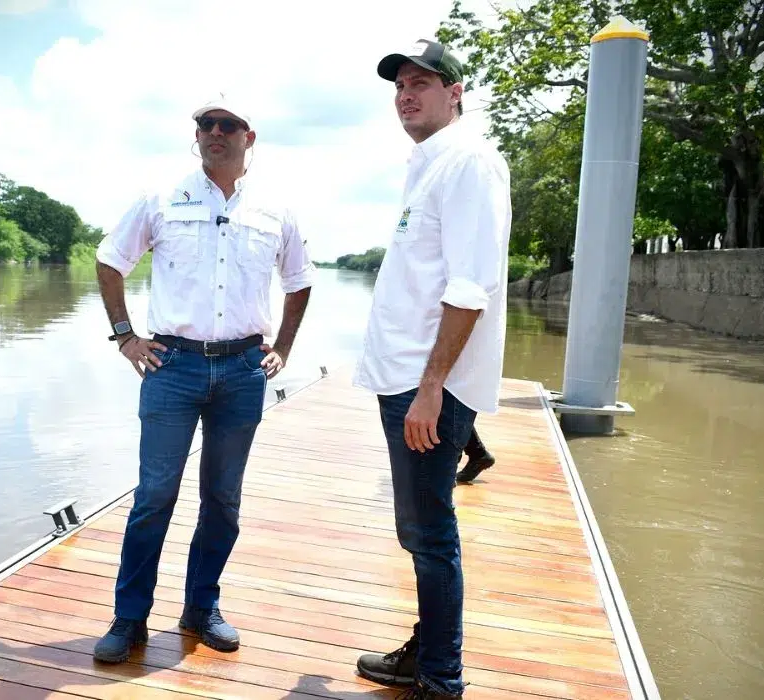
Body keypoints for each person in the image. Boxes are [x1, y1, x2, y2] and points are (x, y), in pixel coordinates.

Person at [91, 95, 314, 663]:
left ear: (249, 136)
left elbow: (300, 281)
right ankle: (129, 618)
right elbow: (110, 259)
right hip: (172, 366)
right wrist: (124, 335)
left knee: (223, 499)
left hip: (243, 370)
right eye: (204, 124)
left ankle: (200, 607)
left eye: (226, 124)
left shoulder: (276, 211)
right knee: (155, 495)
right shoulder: (162, 198)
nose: (213, 132)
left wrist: (283, 348)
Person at [352, 39, 512, 698]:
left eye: (423, 81)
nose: (407, 94)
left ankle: (440, 675)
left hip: (427, 389)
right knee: (418, 530)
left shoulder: (468, 163)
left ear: (456, 93)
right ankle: (430, 655)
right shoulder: (430, 165)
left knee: (429, 533)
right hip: (408, 381)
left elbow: (470, 287)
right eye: (399, 85)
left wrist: (430, 389)